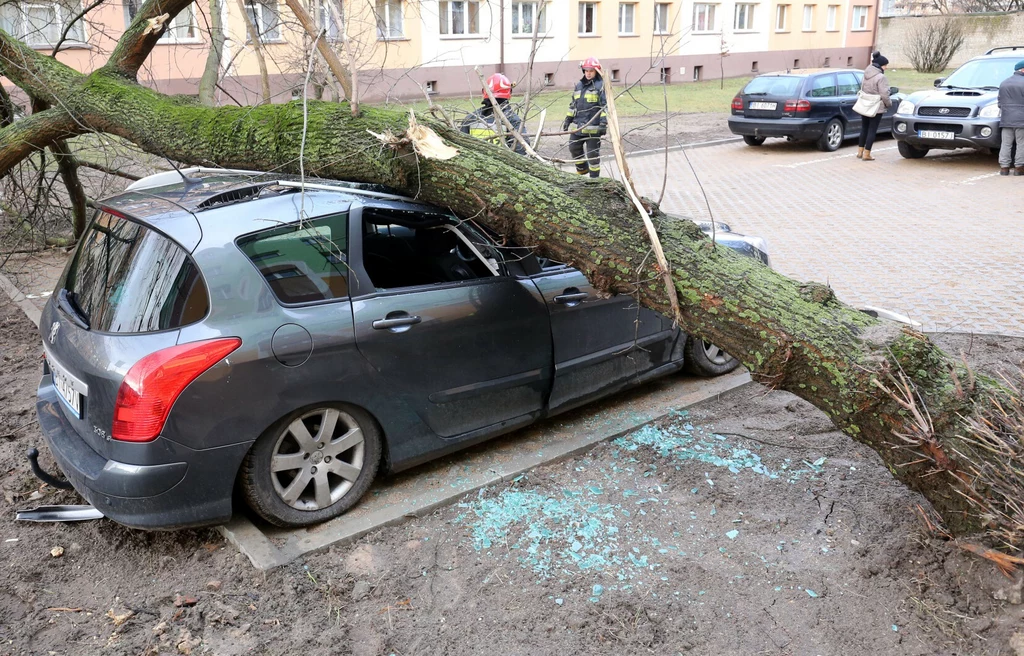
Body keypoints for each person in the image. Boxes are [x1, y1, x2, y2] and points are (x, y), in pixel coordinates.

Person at [460, 73, 528, 155]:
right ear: (509, 92)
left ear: (483, 92)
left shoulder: (470, 119)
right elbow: (521, 151)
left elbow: (461, 149)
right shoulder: (512, 120)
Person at [562, 57, 608, 177]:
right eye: (586, 71)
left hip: (593, 128)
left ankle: (594, 179)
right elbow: (573, 105)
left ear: (596, 72)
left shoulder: (601, 86)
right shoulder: (579, 86)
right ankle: (582, 170)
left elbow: (605, 107)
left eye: (591, 71)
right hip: (578, 127)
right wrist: (568, 119)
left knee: (593, 155)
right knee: (573, 147)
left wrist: (603, 124)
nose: (588, 73)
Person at [856, 52, 892, 162]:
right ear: (880, 65)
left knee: (864, 128)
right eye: (885, 65)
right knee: (872, 130)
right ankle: (867, 154)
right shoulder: (881, 77)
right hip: (876, 106)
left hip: (865, 105)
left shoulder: (866, 74)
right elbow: (884, 94)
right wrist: (889, 104)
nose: (886, 67)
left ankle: (860, 152)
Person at [997, 60, 1024, 176]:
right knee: (1021, 143)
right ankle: (1019, 168)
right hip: (1021, 120)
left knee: (1006, 143)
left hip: (1006, 119)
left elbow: (999, 103)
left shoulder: (1004, 83)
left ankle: (1004, 168)